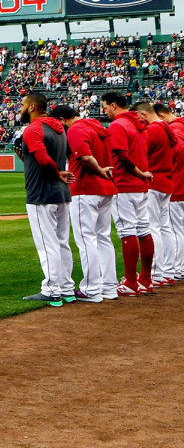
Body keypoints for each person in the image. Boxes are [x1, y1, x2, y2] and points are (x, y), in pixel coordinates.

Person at [52, 105, 118, 303]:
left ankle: (91, 289)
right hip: (106, 189)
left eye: (58, 124)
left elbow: (85, 157)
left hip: (85, 188)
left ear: (63, 119)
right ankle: (109, 286)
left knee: (86, 239)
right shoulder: (98, 126)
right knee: (103, 238)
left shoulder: (77, 129)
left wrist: (99, 171)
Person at [16, 93, 75, 307]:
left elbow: (43, 159)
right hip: (61, 193)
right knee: (62, 243)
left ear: (32, 107)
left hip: (41, 194)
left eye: (22, 105)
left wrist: (57, 173)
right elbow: (65, 155)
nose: (20, 108)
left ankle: (51, 289)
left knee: (47, 244)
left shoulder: (33, 129)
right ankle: (67, 288)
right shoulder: (60, 128)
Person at [103, 91, 154, 295]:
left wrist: (137, 172)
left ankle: (131, 282)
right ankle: (146, 279)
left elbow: (123, 157)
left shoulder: (118, 125)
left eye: (105, 106)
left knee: (127, 232)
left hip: (124, 183)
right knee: (144, 230)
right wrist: (142, 174)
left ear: (114, 105)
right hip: (141, 186)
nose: (104, 110)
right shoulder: (140, 123)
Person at [134, 101, 176, 286]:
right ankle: (167, 270)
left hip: (153, 180)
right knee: (164, 227)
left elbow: (139, 153)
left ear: (143, 114)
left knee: (152, 227)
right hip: (166, 181)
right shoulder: (166, 128)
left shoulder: (151, 130)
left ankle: (156, 272)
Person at [155, 103, 184, 281]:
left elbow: (177, 152)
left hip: (177, 187)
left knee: (174, 230)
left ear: (161, 116)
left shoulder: (174, 130)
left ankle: (177, 267)